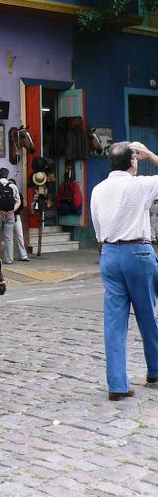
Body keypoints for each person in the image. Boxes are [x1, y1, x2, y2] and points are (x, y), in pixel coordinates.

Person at [90, 141, 158, 401]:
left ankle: (117, 384)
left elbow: (97, 225)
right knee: (148, 316)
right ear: (133, 161)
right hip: (138, 252)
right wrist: (151, 154)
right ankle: (155, 370)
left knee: (115, 323)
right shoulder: (139, 184)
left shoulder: (98, 189)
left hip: (109, 253)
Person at [0, 168, 20, 265]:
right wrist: (11, 211)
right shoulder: (13, 186)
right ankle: (9, 259)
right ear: (7, 175)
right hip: (10, 214)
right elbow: (18, 201)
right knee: (9, 237)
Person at [12, 181, 30, 263]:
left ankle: (9, 256)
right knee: (20, 236)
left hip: (6, 216)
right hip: (16, 216)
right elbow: (21, 206)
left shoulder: (4, 193)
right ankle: (23, 255)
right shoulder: (19, 194)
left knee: (8, 237)